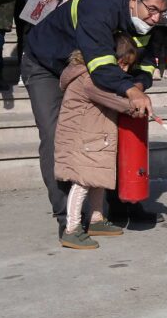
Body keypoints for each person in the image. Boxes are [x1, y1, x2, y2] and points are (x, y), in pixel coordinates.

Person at [22, 0, 167, 232]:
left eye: (163, 12)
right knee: (56, 134)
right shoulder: (98, 10)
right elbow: (101, 67)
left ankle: (123, 202)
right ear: (134, 0)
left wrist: (140, 86)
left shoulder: (147, 22)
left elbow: (145, 63)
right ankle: (68, 217)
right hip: (47, 66)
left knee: (115, 129)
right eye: (152, 10)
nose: (156, 18)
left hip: (92, 68)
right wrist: (130, 91)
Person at [54, 34, 138, 249]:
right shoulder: (89, 77)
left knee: (97, 177)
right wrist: (133, 105)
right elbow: (109, 99)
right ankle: (71, 229)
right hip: (81, 138)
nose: (125, 71)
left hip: (94, 137)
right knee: (82, 182)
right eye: (122, 64)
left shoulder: (100, 75)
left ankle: (96, 219)